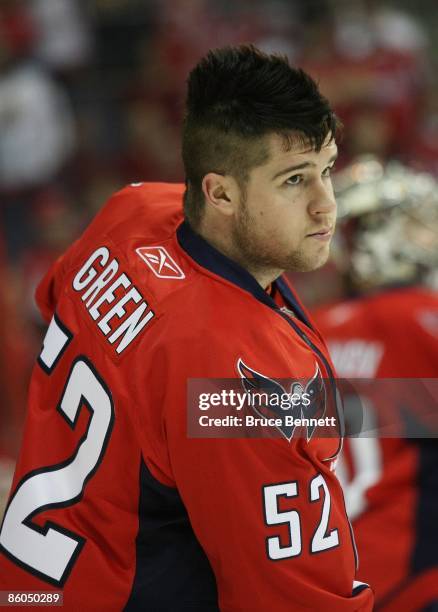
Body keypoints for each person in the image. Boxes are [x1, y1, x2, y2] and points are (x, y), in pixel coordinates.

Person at [0, 45, 373, 611]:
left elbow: (56, 299)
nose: (327, 207)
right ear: (219, 192)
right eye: (295, 181)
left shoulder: (130, 211)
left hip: (32, 582)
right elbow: (296, 600)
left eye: (326, 171)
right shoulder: (242, 372)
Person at [313, 156, 438, 611]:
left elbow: (213, 415)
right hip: (415, 579)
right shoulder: (418, 319)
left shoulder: (305, 329)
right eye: (418, 224)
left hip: (332, 577)